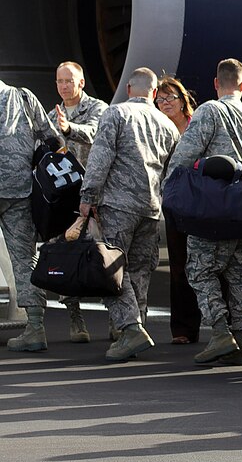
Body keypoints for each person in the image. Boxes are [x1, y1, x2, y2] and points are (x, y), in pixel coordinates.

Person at [164, 58, 242, 366]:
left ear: (216, 84)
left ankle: (219, 332)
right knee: (241, 277)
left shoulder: (209, 112)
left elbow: (182, 158)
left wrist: (170, 192)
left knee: (200, 271)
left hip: (211, 214)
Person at [79, 68, 179, 361]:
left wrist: (88, 196)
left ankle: (130, 328)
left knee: (110, 269)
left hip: (118, 205)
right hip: (150, 208)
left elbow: (100, 157)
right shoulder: (168, 125)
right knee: (138, 270)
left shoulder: (116, 114)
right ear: (153, 92)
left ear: (129, 89)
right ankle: (137, 329)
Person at [47, 61, 108, 344]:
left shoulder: (98, 109)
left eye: (69, 80)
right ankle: (75, 318)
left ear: (81, 82)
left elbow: (96, 133)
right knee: (65, 256)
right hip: (65, 197)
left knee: (104, 256)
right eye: (60, 81)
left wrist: (68, 128)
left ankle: (117, 320)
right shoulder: (51, 115)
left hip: (96, 195)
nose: (64, 86)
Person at [2, 80, 60, 352]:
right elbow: (53, 139)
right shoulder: (24, 97)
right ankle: (35, 327)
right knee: (25, 258)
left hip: (16, 189)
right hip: (19, 189)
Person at [155, 76, 202, 345]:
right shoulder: (154, 126)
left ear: (183, 100)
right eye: (160, 99)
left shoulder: (197, 125)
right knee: (178, 267)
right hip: (173, 205)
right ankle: (184, 328)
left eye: (170, 97)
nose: (165, 103)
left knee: (209, 264)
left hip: (201, 203)